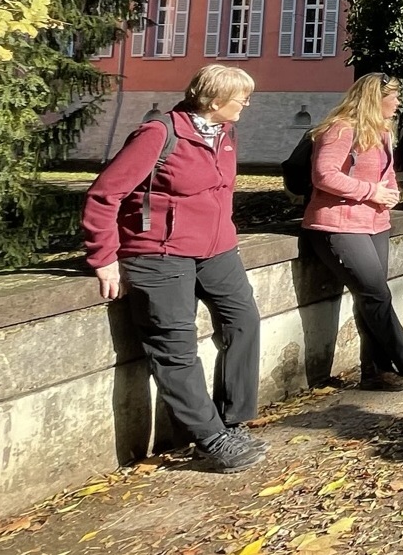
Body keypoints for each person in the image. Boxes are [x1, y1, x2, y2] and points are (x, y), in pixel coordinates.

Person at [81, 64, 268, 471]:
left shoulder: (225, 133)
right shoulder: (158, 134)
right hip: (158, 253)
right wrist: (104, 258)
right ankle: (209, 437)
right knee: (175, 345)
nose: (247, 104)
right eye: (242, 98)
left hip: (216, 250)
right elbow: (104, 194)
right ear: (214, 101)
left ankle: (231, 421)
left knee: (244, 322)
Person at [304, 74, 403, 389]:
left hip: (375, 223)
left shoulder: (381, 131)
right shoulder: (340, 129)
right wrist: (371, 192)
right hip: (338, 224)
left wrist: (391, 193)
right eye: (393, 97)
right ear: (374, 98)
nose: (398, 103)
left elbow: (386, 174)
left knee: (370, 297)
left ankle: (375, 372)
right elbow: (324, 175)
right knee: (375, 294)